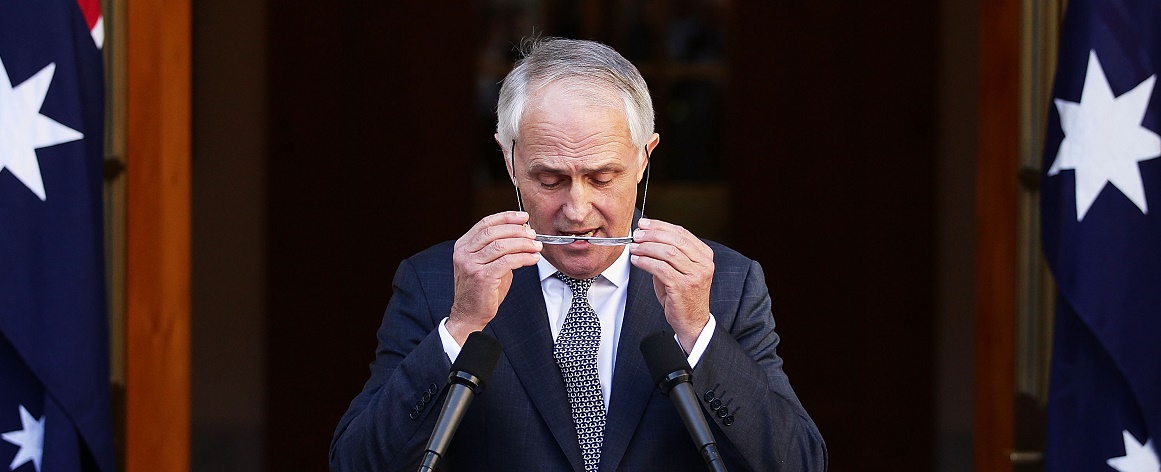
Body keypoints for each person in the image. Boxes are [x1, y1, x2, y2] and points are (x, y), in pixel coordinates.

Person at [330, 37, 826, 471]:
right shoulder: (437, 281)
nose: (576, 209)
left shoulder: (725, 284)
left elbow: (799, 462)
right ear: (509, 161)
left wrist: (699, 333)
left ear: (644, 158)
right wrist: (459, 328)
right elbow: (356, 462)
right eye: (549, 180)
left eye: (602, 178)